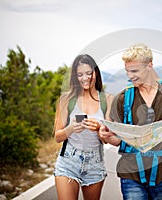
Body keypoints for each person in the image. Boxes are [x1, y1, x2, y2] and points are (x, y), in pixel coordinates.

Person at [99, 43, 162, 200]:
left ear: (150, 66)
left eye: (135, 71)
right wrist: (105, 137)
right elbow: (116, 141)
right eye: (127, 71)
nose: (130, 76)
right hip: (131, 173)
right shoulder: (123, 98)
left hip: (161, 173)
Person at [53, 54, 113, 200]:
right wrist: (71, 128)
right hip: (68, 161)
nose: (85, 78)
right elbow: (57, 137)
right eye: (80, 74)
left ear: (96, 73)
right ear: (75, 77)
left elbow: (107, 139)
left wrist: (99, 128)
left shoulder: (108, 99)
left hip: (95, 162)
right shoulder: (66, 99)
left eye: (88, 73)